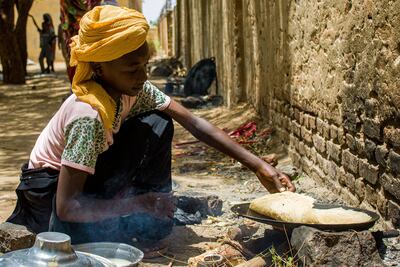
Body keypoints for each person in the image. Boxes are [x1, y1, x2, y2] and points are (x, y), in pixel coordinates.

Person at [8, 5, 295, 257]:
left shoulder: (132, 90)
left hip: (82, 185)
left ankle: (145, 220)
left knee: (158, 122)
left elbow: (194, 123)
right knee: (148, 129)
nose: (143, 77)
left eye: (145, 66)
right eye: (132, 69)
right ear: (98, 68)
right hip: (49, 196)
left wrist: (258, 167)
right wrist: (138, 202)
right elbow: (67, 206)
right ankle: (119, 229)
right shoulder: (88, 115)